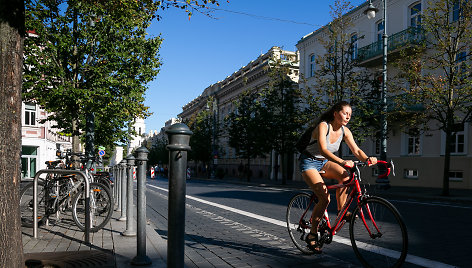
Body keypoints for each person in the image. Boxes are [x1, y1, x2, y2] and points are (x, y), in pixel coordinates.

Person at [299, 101, 377, 253]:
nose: (348, 117)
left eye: (350, 114)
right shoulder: (324, 126)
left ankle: (342, 211)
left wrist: (368, 159)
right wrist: (342, 161)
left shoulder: (345, 131)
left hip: (324, 162)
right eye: (345, 113)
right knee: (325, 198)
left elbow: (356, 150)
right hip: (308, 162)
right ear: (335, 113)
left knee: (346, 177)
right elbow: (322, 149)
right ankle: (312, 234)